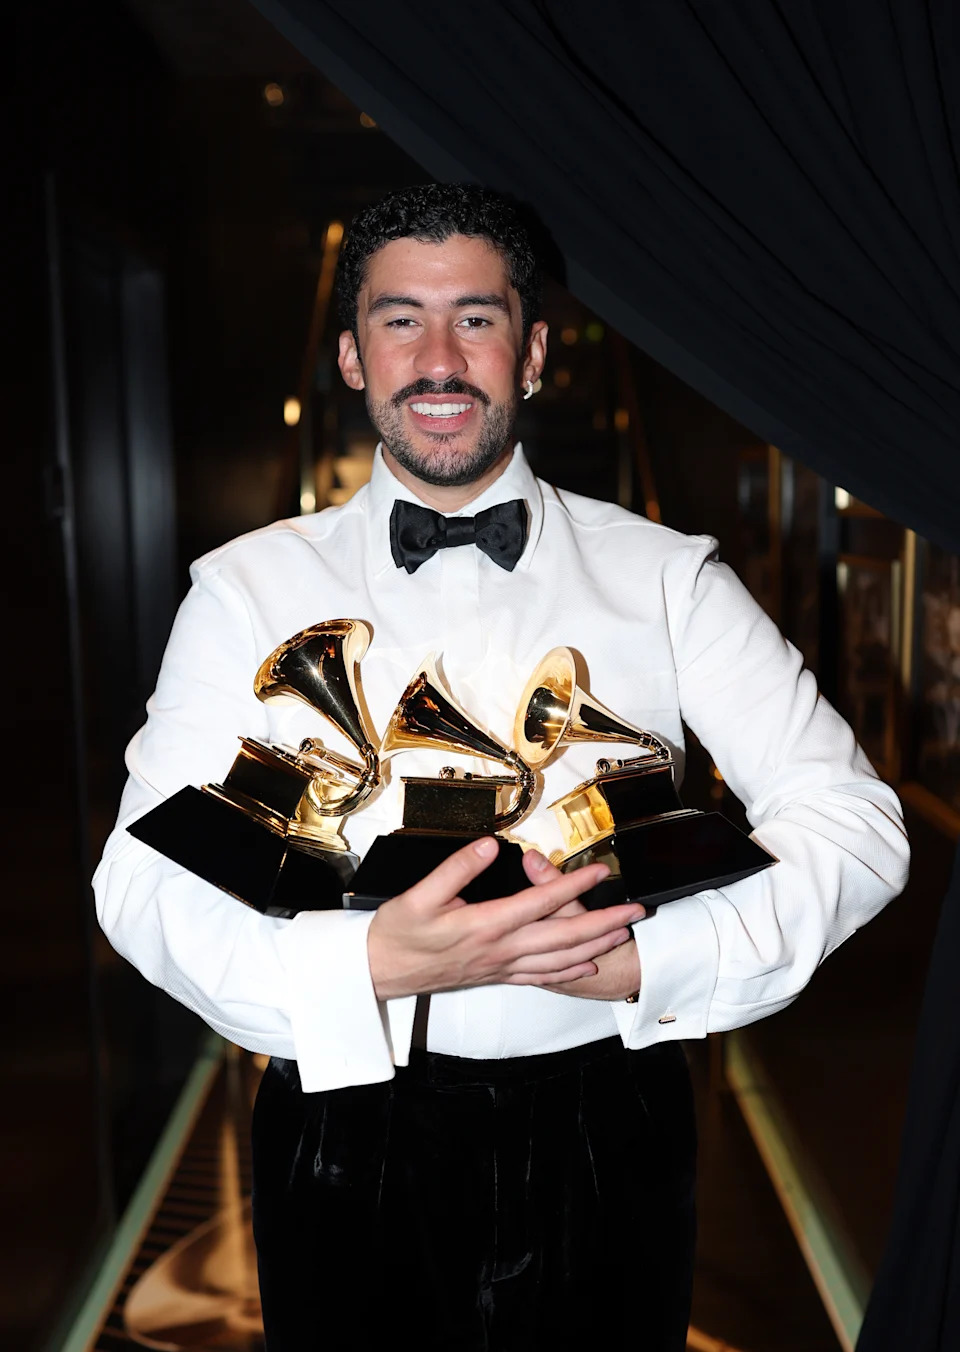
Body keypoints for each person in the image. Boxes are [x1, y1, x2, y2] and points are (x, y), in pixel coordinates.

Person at [94, 183, 909, 1351]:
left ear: (531, 355)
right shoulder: (243, 588)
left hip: (608, 1120)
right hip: (341, 1122)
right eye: (399, 319)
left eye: (475, 319)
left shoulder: (670, 577)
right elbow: (137, 878)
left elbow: (857, 824)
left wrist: (651, 960)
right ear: (349, 354)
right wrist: (365, 963)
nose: (437, 357)